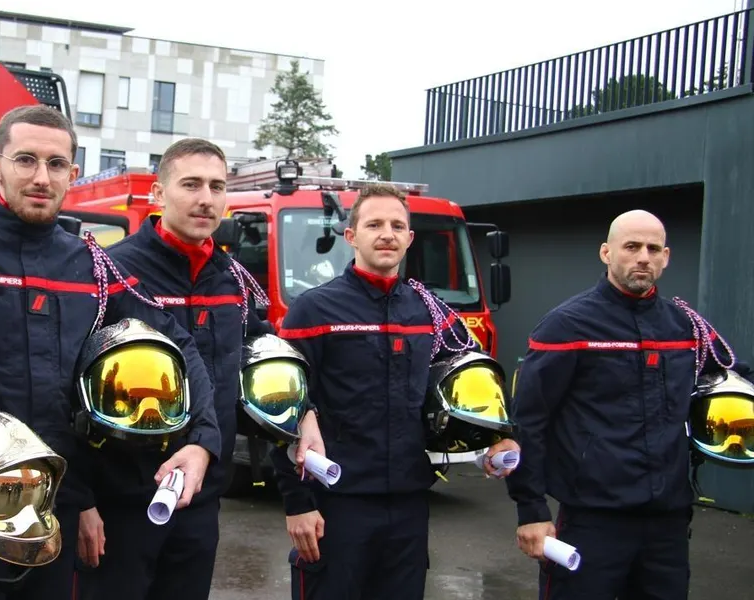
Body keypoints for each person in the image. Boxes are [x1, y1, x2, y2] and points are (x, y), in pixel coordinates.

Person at [0, 106, 220, 600]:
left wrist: (203, 439)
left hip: (52, 516)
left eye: (56, 164)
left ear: (73, 173)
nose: (42, 177)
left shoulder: (91, 265)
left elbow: (177, 343)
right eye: (26, 160)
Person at [76, 138, 322, 600]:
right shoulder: (111, 271)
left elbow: (264, 351)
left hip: (202, 498)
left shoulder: (232, 278)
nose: (205, 198)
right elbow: (73, 383)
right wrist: (82, 501)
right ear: (158, 193)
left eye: (216, 186)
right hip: (123, 500)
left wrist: (304, 413)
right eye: (190, 184)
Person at [270, 183, 519, 600]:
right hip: (336, 503)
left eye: (396, 225)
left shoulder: (429, 311)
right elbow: (281, 406)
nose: (386, 233)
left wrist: (498, 433)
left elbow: (471, 374)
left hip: (408, 502)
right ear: (351, 237)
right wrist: (297, 503)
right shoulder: (313, 311)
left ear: (409, 238)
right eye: (374, 224)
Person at [505, 209, 749, 599]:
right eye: (631, 247)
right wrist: (531, 510)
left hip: (666, 525)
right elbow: (527, 421)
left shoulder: (686, 328)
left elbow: (734, 377)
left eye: (654, 249)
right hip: (592, 523)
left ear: (666, 257)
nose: (643, 257)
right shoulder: (567, 326)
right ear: (606, 252)